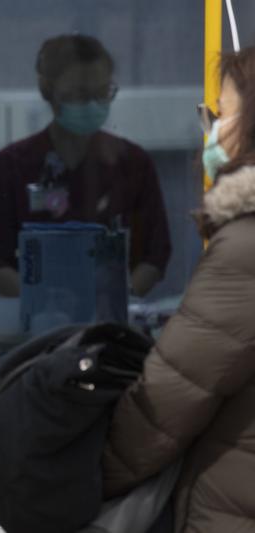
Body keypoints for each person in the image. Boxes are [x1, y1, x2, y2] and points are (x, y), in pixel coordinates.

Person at [103, 47, 255, 532]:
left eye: (223, 113)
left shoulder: (246, 246)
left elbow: (171, 396)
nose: (210, 128)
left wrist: (86, 478)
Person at [0, 34, 171, 297]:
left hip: (113, 319)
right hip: (36, 322)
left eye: (102, 93)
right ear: (48, 91)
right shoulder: (13, 166)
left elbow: (155, 254)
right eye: (79, 94)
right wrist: (40, 299)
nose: (92, 105)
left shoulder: (132, 163)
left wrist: (121, 297)